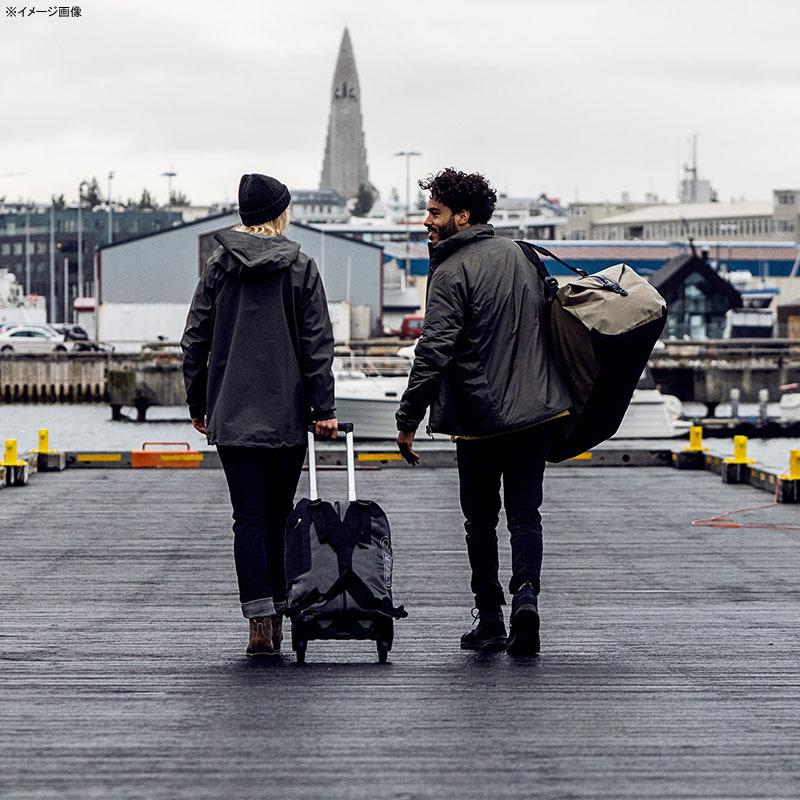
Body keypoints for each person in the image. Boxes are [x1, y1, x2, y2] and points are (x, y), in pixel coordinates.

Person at [395, 168, 571, 656]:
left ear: (462, 216)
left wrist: (408, 418)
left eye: (434, 212)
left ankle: (491, 617)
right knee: (525, 513)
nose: (426, 221)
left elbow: (434, 350)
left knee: (479, 521)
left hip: (479, 419)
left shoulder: (451, 270)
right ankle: (526, 599)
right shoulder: (522, 255)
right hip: (534, 413)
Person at [182, 173, 337, 657]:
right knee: (276, 517)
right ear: (279, 212)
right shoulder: (301, 266)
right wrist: (324, 407)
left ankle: (259, 625)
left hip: (231, 413)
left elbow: (194, 341)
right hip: (286, 414)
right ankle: (281, 612)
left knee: (247, 519)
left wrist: (199, 403)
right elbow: (317, 344)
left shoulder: (218, 266)